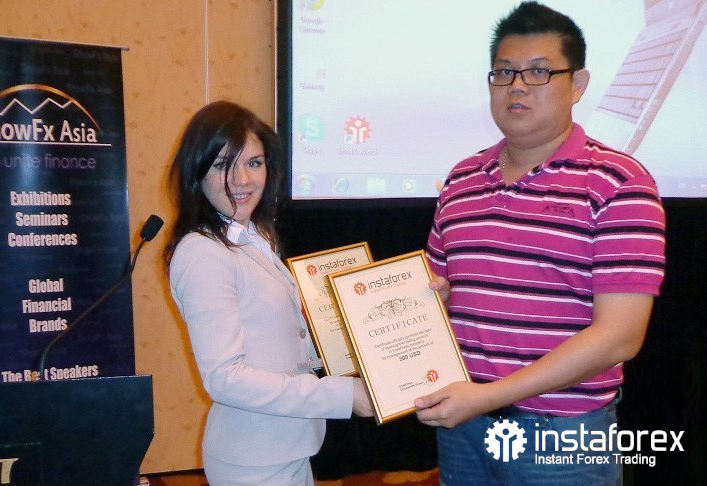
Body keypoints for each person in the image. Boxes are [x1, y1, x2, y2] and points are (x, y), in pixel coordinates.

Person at [414, 2, 666, 485]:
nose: (517, 86)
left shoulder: (619, 182)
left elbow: (620, 336)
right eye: (504, 72)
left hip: (562, 433)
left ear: (578, 84)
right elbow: (436, 291)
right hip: (463, 425)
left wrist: (489, 396)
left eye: (538, 72)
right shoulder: (462, 179)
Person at [165, 101, 373, 486]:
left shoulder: (251, 236)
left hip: (285, 446)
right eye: (223, 165)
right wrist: (342, 395)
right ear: (197, 171)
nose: (242, 179)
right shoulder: (203, 253)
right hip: (253, 458)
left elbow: (277, 339)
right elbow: (225, 377)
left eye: (254, 163)